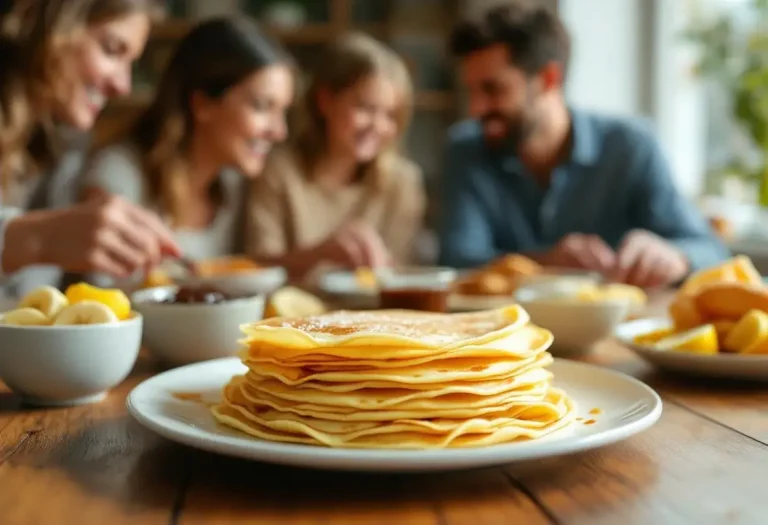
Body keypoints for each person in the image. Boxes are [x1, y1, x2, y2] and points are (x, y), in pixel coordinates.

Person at [438, 2, 729, 288]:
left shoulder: (630, 146)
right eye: (471, 91)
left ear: (548, 79)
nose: (476, 108)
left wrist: (675, 257)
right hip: (503, 331)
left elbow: (712, 252)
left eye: (493, 89)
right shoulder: (465, 150)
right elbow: (457, 260)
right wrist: (547, 261)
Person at [81, 17, 293, 266]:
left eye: (283, 111)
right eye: (261, 106)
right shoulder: (118, 177)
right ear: (202, 103)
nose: (279, 132)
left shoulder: (234, 186)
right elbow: (98, 296)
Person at [0, 0, 181, 284]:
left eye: (131, 62)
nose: (123, 86)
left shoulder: (60, 142)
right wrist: (40, 237)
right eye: (111, 49)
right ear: (55, 27)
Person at [246, 32, 426, 281]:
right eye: (364, 108)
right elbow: (256, 268)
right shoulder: (279, 172)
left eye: (390, 115)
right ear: (325, 101)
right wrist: (320, 254)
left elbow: (403, 276)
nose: (378, 126)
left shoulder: (403, 183)